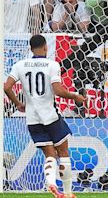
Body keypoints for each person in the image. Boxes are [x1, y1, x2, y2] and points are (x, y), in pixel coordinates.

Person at [4, 35, 86, 198]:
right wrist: (75, 96)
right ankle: (68, 193)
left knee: (49, 155)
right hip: (51, 116)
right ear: (45, 47)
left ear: (30, 48)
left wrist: (18, 104)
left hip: (33, 119)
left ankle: (51, 184)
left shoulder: (20, 65)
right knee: (63, 153)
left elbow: (7, 87)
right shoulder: (52, 65)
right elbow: (58, 91)